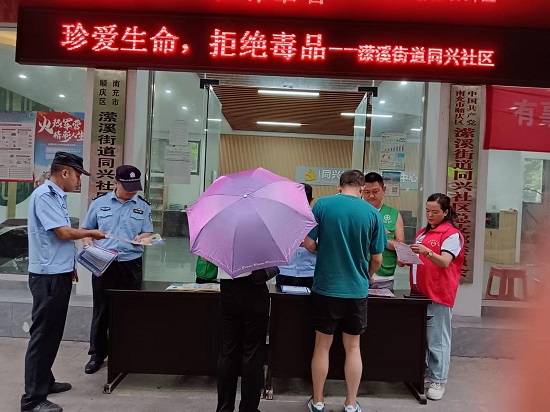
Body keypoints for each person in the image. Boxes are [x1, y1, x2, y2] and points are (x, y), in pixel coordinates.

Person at [21, 152, 105, 412]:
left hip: (58, 272)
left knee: (52, 332)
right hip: (47, 277)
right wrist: (91, 232)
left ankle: (45, 381)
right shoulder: (45, 195)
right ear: (65, 172)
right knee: (43, 334)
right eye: (78, 175)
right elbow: (63, 233)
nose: (79, 180)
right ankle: (32, 400)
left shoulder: (57, 196)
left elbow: (56, 240)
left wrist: (69, 267)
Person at [302, 170, 387, 412]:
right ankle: (350, 403)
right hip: (356, 290)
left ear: (339, 186)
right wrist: (367, 276)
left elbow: (308, 242)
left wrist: (322, 249)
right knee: (353, 347)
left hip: (326, 287)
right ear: (361, 189)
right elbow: (377, 258)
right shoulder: (372, 213)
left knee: (322, 346)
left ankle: (318, 401)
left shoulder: (323, 205)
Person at [81, 165, 153, 375]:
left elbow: (148, 231)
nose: (132, 191)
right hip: (104, 263)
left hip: (131, 264)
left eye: (135, 187)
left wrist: (143, 238)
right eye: (128, 187)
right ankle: (97, 354)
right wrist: (88, 245)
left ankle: (125, 352)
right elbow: (86, 230)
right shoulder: (99, 203)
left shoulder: (142, 206)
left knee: (129, 310)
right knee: (101, 309)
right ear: (116, 183)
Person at [403, 193, 464, 401]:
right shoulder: (422, 232)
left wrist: (426, 252)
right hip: (419, 293)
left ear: (445, 212)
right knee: (422, 338)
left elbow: (445, 261)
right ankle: (423, 374)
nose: (430, 215)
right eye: (428, 211)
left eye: (435, 212)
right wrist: (407, 258)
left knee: (438, 339)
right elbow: (420, 260)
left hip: (438, 293)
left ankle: (439, 380)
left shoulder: (451, 234)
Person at [216, 266, 278, 412]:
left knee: (228, 352)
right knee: (253, 353)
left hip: (228, 287)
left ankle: (224, 408)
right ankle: (248, 408)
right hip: (254, 286)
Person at [363, 172, 405, 292]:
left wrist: (378, 238)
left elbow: (400, 246)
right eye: (367, 192)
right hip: (360, 273)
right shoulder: (356, 212)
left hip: (384, 276)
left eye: (375, 191)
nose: (371, 195)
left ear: (383, 190)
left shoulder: (393, 214)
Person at [276, 183, 316, 289]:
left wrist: (309, 245)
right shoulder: (280, 219)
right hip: (288, 271)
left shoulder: (318, 219)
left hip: (308, 273)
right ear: (312, 200)